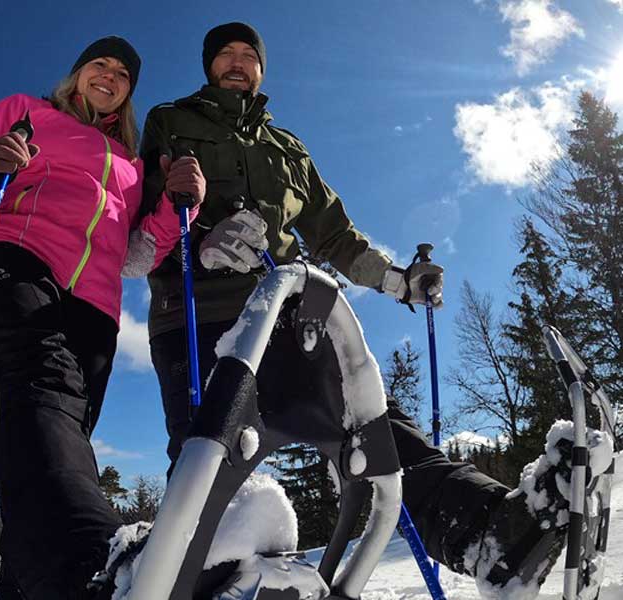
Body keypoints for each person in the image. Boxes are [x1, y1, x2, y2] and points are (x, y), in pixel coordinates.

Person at [138, 22, 575, 597]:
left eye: (250, 55)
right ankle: (193, 585)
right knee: (207, 472)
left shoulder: (287, 149)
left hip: (288, 315)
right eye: (227, 55)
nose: (239, 63)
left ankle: (489, 534)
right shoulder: (172, 121)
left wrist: (399, 281)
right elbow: (140, 210)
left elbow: (336, 237)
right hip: (203, 317)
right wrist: (197, 238)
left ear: (263, 69)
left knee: (375, 430)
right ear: (209, 65)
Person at [0, 36, 206, 600]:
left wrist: (181, 206)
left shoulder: (132, 168)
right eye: (99, 65)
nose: (109, 76)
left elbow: (137, 256)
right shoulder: (26, 114)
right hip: (14, 256)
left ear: (128, 92)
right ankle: (91, 555)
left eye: (122, 74)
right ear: (78, 73)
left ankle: (23, 586)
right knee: (44, 387)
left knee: (59, 428)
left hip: (96, 306)